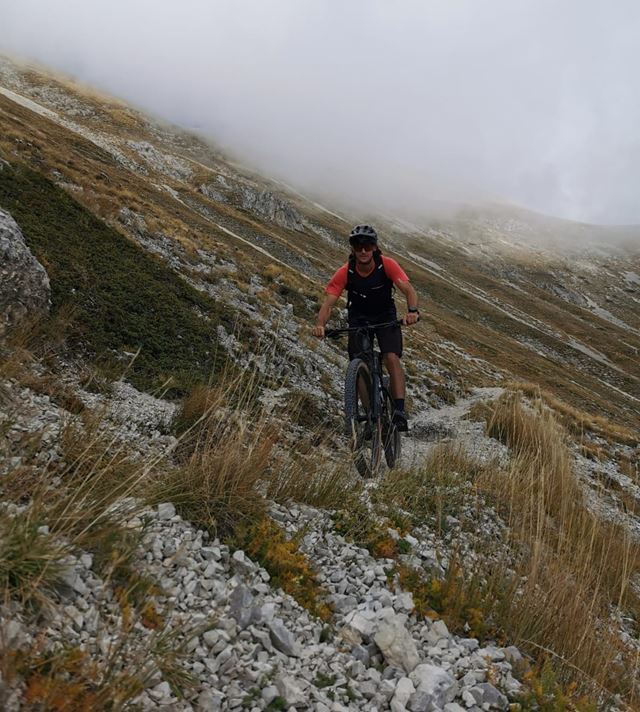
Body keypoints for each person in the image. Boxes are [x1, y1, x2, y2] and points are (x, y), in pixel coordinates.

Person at [312, 224, 419, 431]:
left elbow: (408, 290)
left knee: (391, 356)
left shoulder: (387, 264)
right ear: (352, 248)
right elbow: (328, 304)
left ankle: (399, 411)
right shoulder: (345, 272)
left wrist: (412, 311)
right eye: (358, 246)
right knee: (359, 362)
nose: (363, 250)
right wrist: (320, 325)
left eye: (367, 246)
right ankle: (371, 415)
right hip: (359, 319)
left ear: (375, 247)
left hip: (385, 316)